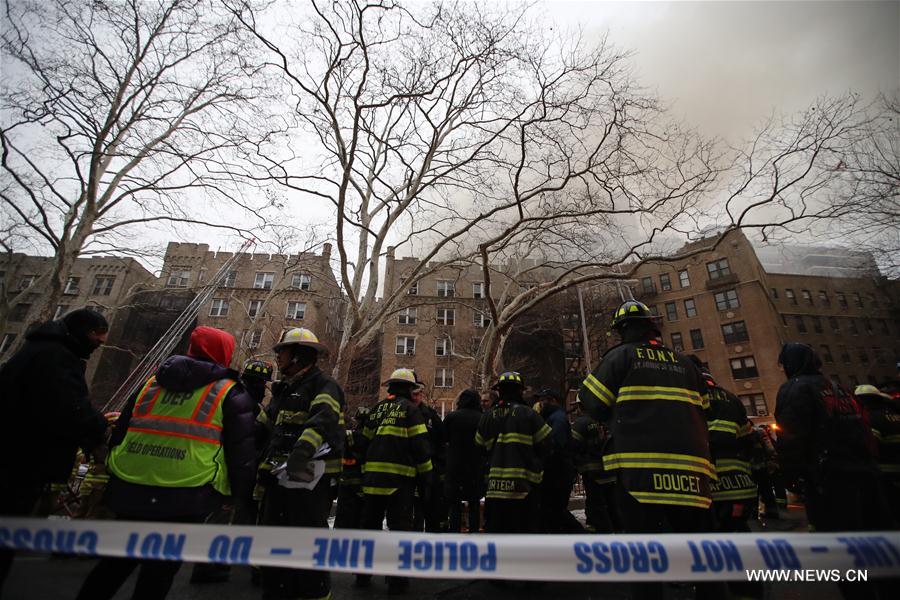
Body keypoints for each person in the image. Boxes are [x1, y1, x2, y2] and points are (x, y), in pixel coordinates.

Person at [74, 326, 256, 600]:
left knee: (114, 563)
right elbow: (241, 450)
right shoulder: (229, 392)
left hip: (131, 485)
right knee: (159, 571)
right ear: (224, 353)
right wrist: (238, 493)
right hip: (188, 491)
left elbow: (121, 431)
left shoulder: (150, 384)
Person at [577, 300, 725, 600]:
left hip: (641, 474)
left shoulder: (620, 357)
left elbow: (590, 401)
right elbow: (706, 411)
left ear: (621, 330)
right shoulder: (685, 363)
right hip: (692, 475)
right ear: (651, 325)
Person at [0, 308, 110, 593]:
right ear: (81, 331)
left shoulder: (38, 352)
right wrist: (99, 431)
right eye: (96, 336)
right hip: (21, 459)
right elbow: (70, 405)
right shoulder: (56, 358)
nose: (100, 343)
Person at [254, 327, 344, 600]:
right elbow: (266, 430)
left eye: (282, 351)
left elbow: (321, 422)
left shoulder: (324, 386)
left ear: (298, 356)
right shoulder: (284, 391)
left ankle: (313, 593)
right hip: (280, 481)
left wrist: (297, 458)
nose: (278, 357)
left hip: (310, 483)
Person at [357, 368, 433, 594]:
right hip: (399, 483)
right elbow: (420, 447)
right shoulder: (411, 411)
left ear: (391, 387)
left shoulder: (377, 410)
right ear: (409, 389)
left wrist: (364, 471)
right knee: (399, 528)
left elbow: (362, 442)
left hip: (372, 481)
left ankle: (362, 574)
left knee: (369, 528)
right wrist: (427, 478)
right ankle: (397, 579)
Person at [692, 357, 760, 598]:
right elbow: (748, 440)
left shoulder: (689, 395)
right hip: (741, 486)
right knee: (738, 538)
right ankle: (749, 591)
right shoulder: (731, 399)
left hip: (707, 486)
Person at [476, 372, 552, 534]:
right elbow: (547, 446)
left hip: (494, 489)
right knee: (522, 537)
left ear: (499, 391)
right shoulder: (529, 414)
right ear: (520, 391)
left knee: (496, 538)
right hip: (523, 489)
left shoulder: (487, 417)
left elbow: (479, 449)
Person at [536, 388, 583, 533]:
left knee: (554, 509)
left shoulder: (557, 419)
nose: (540, 404)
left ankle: (578, 535)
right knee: (554, 510)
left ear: (553, 401)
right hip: (558, 472)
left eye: (544, 400)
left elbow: (555, 445)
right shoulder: (553, 417)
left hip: (558, 474)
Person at [571, 399, 619, 533]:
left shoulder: (581, 423)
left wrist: (576, 463)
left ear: (581, 406)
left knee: (596, 504)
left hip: (592, 473)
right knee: (611, 504)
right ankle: (617, 530)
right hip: (610, 472)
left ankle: (603, 532)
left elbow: (573, 445)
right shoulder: (606, 421)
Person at [855, 384, 900, 526]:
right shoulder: (894, 416)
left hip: (884, 475)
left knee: (888, 514)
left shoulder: (871, 418)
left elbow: (868, 447)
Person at [443, 389, 485, 533]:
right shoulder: (482, 418)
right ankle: (473, 532)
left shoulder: (452, 417)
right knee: (474, 503)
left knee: (455, 504)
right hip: (475, 466)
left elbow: (443, 439)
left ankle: (454, 532)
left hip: (455, 466)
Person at [411, 377, 447, 533]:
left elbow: (442, 442)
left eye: (419, 394)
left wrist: (438, 468)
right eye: (413, 394)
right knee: (413, 514)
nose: (416, 397)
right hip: (408, 471)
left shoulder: (431, 416)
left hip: (429, 472)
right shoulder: (402, 413)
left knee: (431, 511)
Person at [334, 406, 370, 530]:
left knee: (343, 518)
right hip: (364, 483)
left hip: (346, 482)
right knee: (361, 519)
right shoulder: (372, 438)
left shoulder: (349, 435)